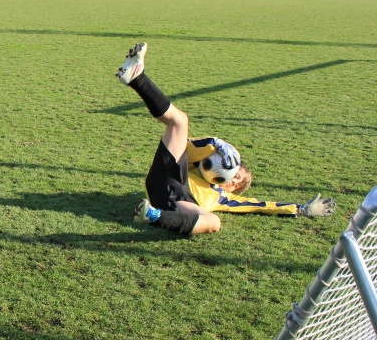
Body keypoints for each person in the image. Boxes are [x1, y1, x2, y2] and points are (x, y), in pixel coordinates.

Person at [115, 42, 336, 236]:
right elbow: (188, 143)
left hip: (178, 204)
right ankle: (137, 77)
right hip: (168, 180)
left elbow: (261, 205)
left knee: (214, 222)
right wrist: (216, 143)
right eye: (237, 173)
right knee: (180, 121)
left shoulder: (224, 198)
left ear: (233, 189)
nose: (234, 179)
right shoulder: (194, 165)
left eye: (238, 182)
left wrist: (301, 209)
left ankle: (154, 216)